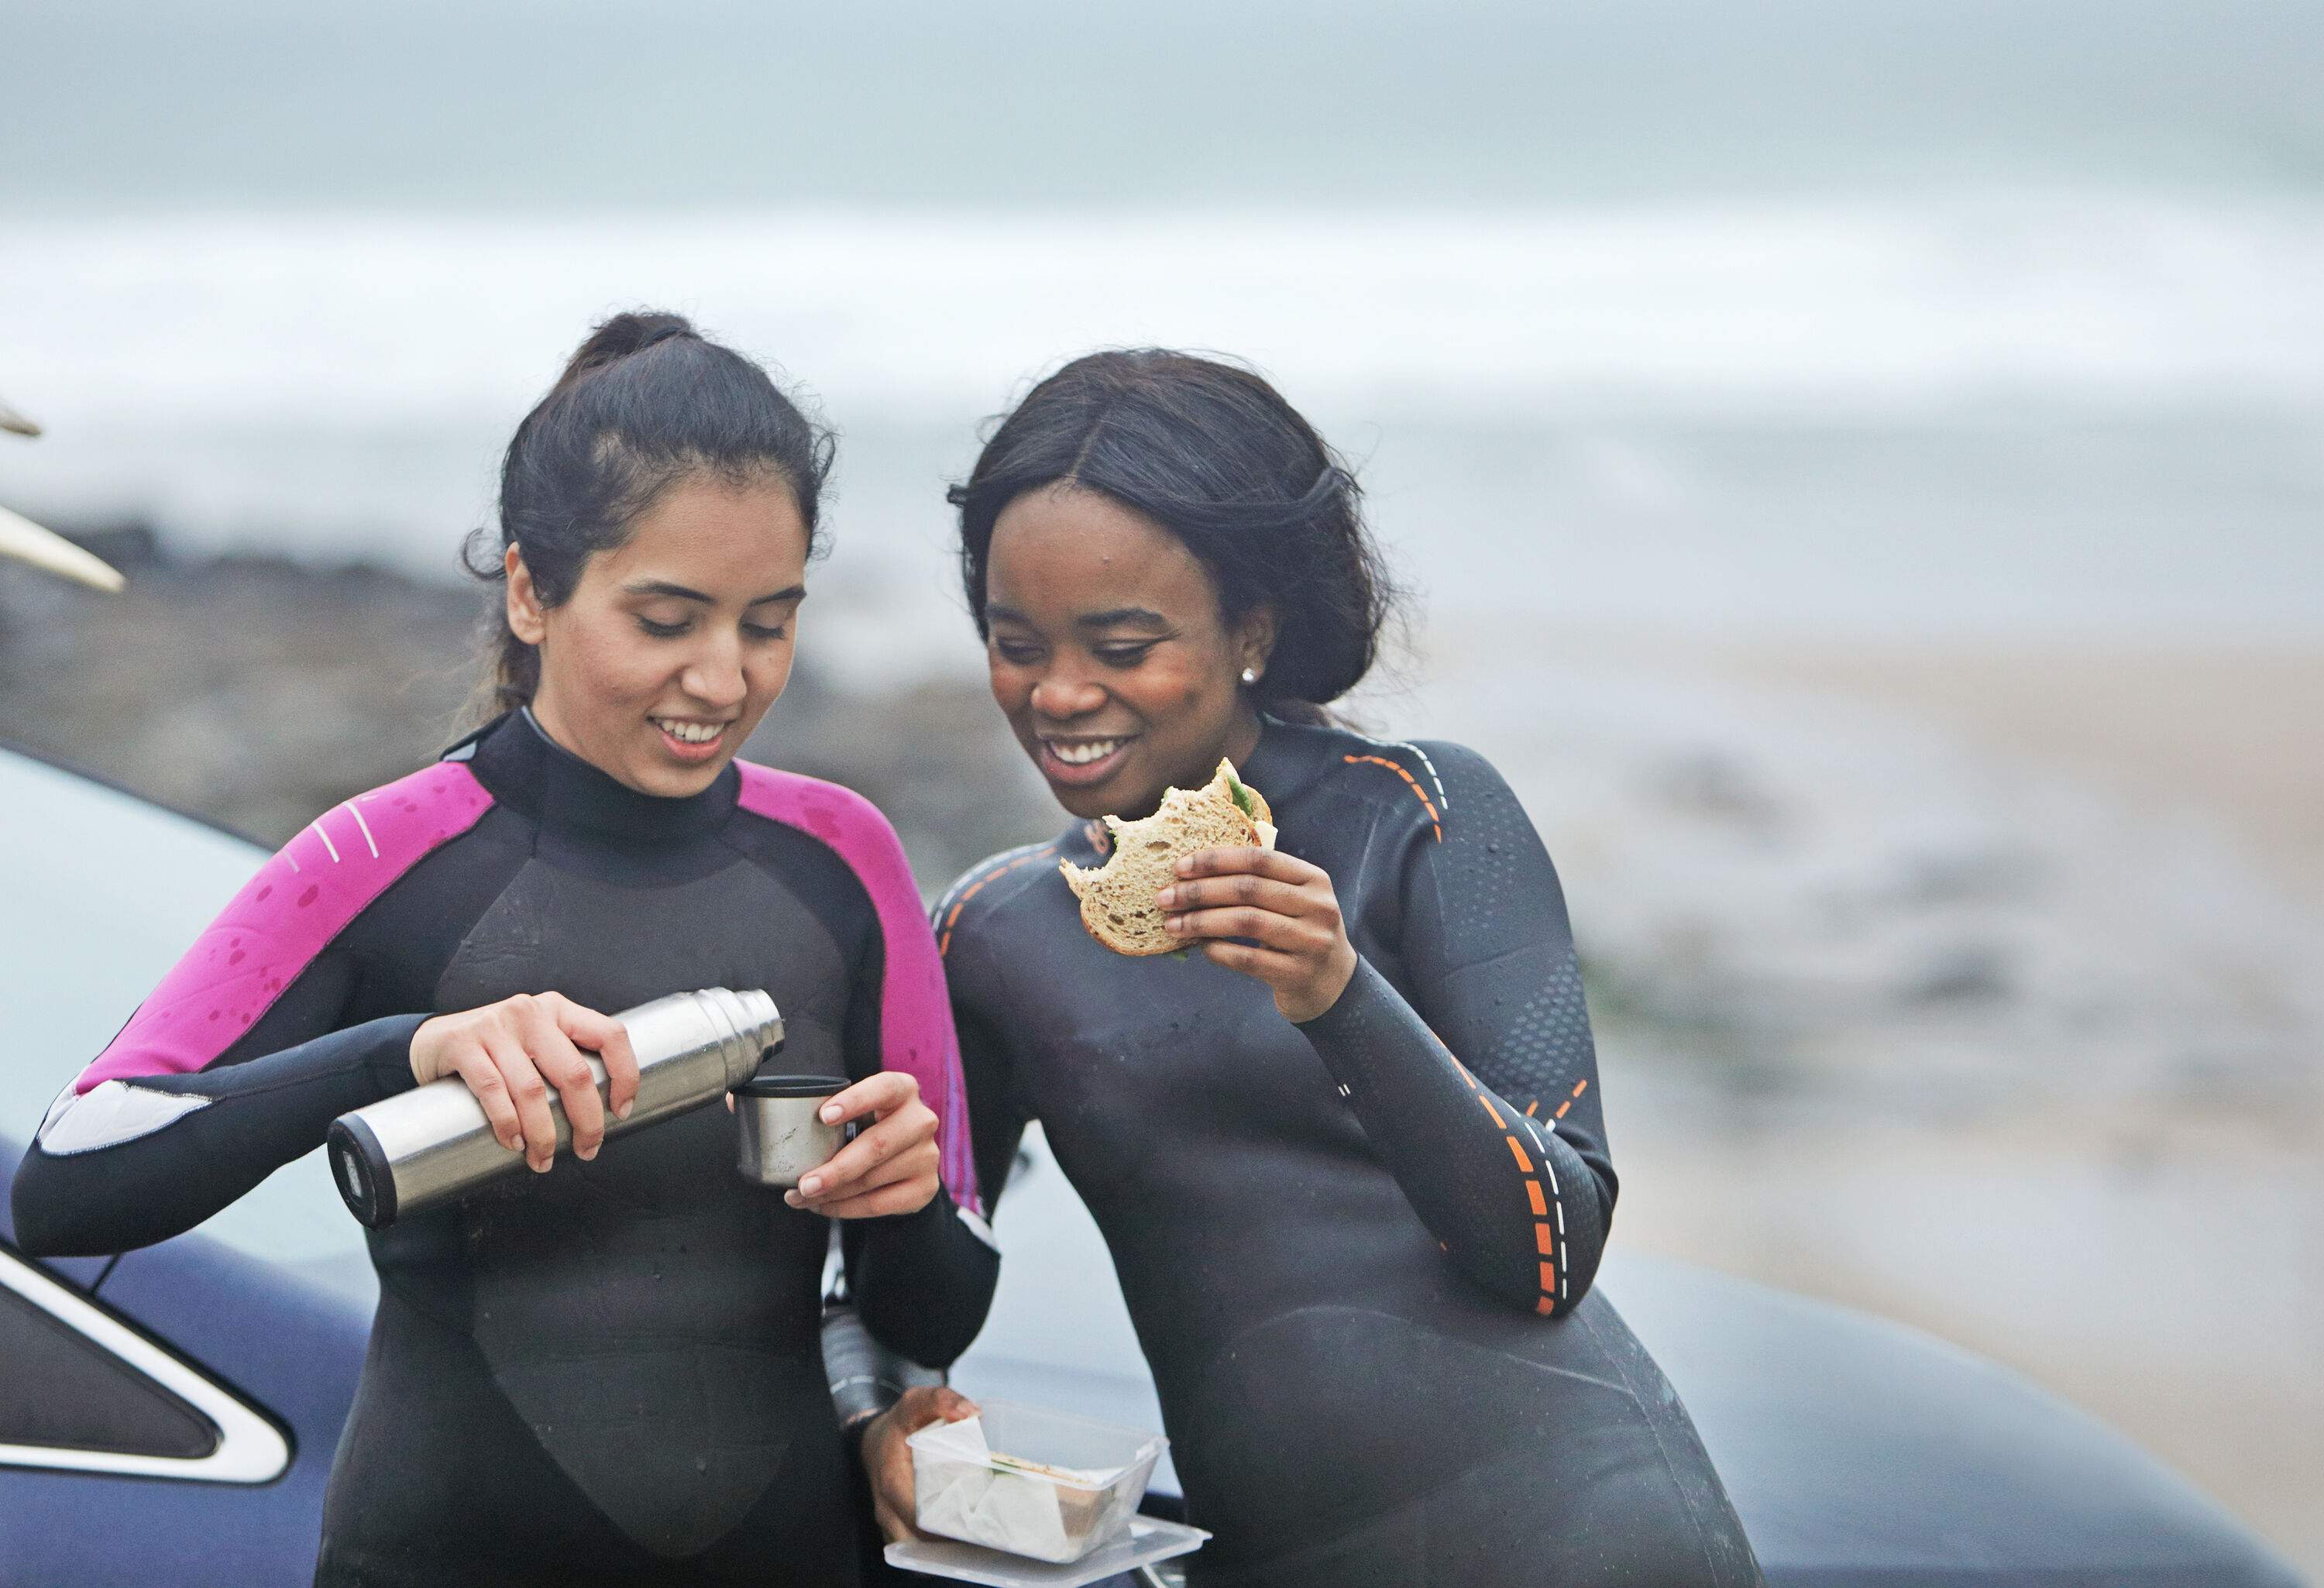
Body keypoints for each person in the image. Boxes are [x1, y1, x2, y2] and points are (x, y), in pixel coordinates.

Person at [11, 313, 999, 1587]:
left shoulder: (840, 859)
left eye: (768, 621)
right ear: (532, 590)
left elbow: (934, 1312)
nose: (722, 676)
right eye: (666, 618)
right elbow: (68, 1182)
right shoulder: (385, 854)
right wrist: (401, 1056)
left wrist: (908, 1199)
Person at [864, 350, 1764, 1586]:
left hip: (1579, 1537)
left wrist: (1340, 995)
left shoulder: (1418, 816)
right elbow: (925, 1311)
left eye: (1123, 645)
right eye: (1017, 642)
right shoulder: (997, 932)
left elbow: (1550, 1246)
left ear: (1252, 628)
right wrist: (883, 1382)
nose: (1060, 693)